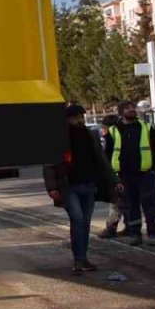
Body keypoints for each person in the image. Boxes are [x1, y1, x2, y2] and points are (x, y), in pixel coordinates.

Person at [43, 104, 122, 275]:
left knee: (84, 223)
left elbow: (102, 161)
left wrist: (115, 181)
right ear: (67, 119)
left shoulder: (90, 135)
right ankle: (78, 260)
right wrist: (52, 187)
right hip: (69, 187)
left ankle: (82, 258)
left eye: (82, 117)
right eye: (76, 117)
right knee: (77, 220)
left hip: (88, 185)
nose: (80, 120)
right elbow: (50, 164)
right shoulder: (59, 137)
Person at [104, 101, 155, 246]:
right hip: (125, 175)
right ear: (121, 112)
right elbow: (108, 153)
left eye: (133, 108)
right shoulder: (114, 131)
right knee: (130, 205)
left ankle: (153, 234)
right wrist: (111, 175)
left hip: (145, 173)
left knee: (150, 204)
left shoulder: (146, 127)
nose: (132, 110)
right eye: (128, 109)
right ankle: (135, 234)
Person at [96, 114, 127, 238]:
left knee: (116, 203)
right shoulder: (122, 137)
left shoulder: (110, 139)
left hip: (116, 174)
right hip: (123, 173)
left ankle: (111, 228)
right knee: (125, 202)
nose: (102, 131)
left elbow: (105, 159)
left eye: (103, 128)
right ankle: (129, 226)